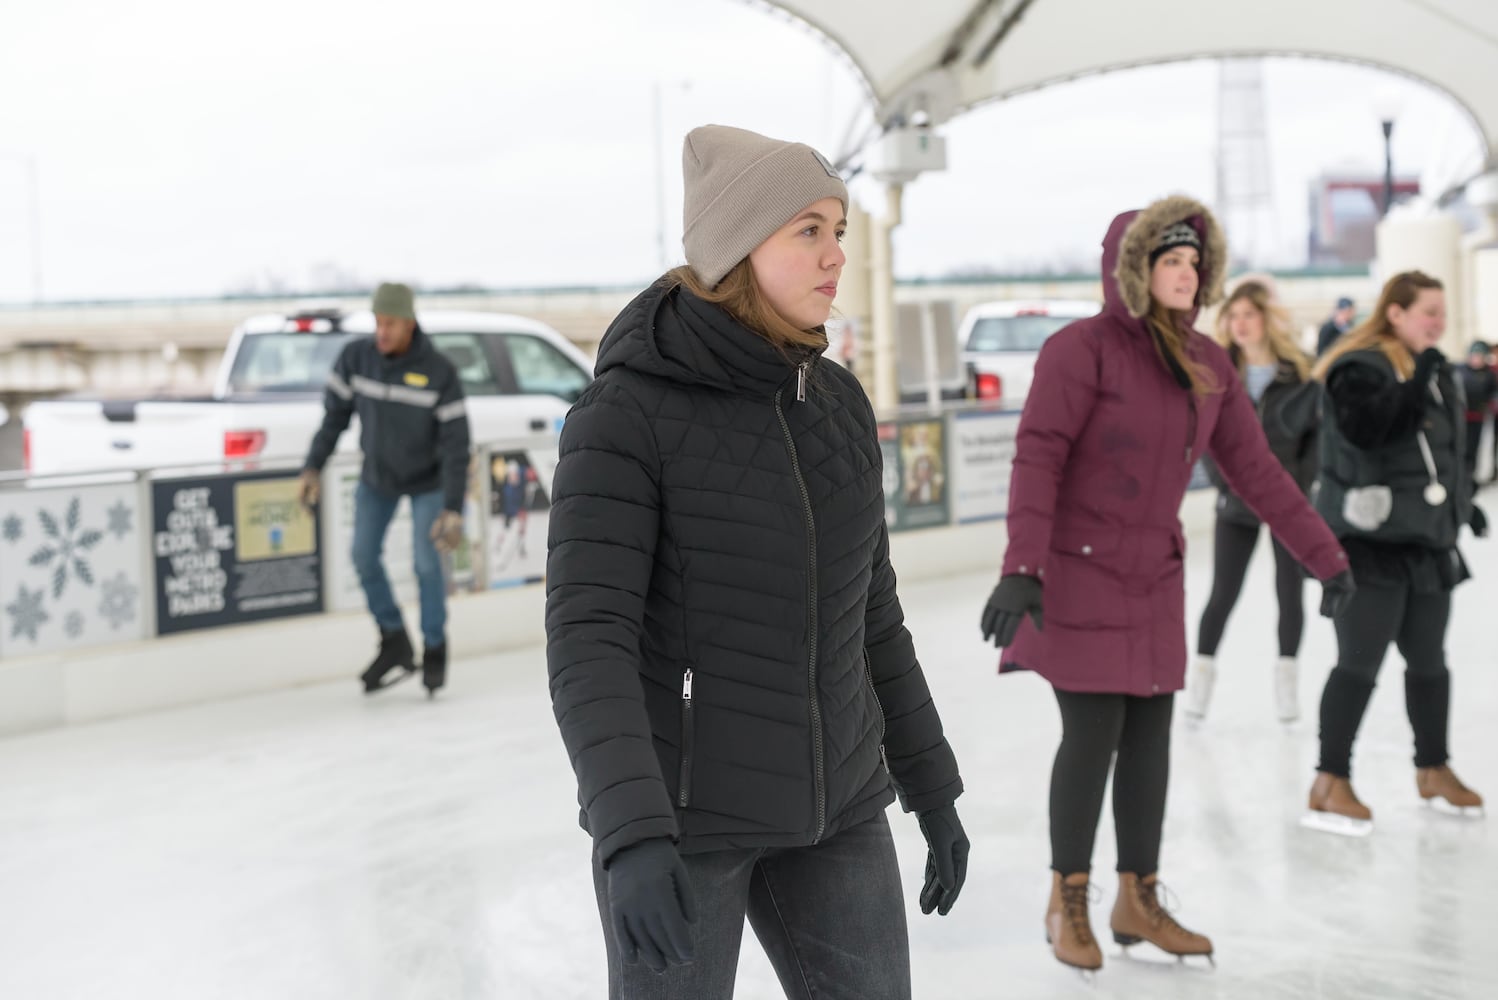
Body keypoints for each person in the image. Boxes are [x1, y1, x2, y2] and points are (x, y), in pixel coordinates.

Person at [545, 125, 968, 1000]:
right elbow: (591, 640)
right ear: (739, 248)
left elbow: (871, 614)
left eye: (839, 228)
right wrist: (630, 833)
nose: (836, 255)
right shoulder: (626, 414)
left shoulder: (837, 403)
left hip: (841, 807)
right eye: (807, 230)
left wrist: (931, 786)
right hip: (686, 823)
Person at [978, 196, 1354, 974]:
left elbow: (1257, 472)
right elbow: (1037, 457)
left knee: (1148, 744)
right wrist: (1022, 567)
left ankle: (1135, 897)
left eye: (1193, 263)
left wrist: (1325, 556)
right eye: (1169, 261)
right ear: (1134, 271)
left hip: (1155, 577)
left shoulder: (1207, 362)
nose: (1185, 275)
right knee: (1092, 740)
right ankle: (1067, 896)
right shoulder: (1079, 349)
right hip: (1075, 574)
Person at [1304, 270, 1486, 836]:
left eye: (1442, 312)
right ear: (1395, 313)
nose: (1438, 322)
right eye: (1428, 311)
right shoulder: (1357, 366)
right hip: (1369, 544)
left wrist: (1461, 505)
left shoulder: (1436, 369)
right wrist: (1421, 375)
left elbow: (1441, 453)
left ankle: (1433, 768)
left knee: (1430, 663)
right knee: (1359, 663)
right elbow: (1369, 431)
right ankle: (1330, 780)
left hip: (1427, 541)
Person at [298, 282, 470, 697]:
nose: (382, 331)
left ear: (409, 322)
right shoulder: (356, 360)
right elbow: (333, 419)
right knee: (362, 556)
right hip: (378, 479)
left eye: (390, 322)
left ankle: (433, 647)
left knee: (428, 565)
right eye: (377, 322)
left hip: (428, 482)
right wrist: (312, 467)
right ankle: (393, 639)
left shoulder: (439, 372)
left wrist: (452, 506)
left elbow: (456, 446)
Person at [1188, 276, 1320, 724]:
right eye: (1233, 316)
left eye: (1249, 314)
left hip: (1286, 502)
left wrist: (1294, 492)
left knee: (1289, 592)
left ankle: (1286, 686)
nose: (1240, 324)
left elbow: (1315, 442)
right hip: (1238, 503)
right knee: (1223, 593)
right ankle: (1200, 684)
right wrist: (1229, 488)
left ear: (1267, 319)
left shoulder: (1300, 371)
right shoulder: (1219, 371)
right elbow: (1208, 440)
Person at [1455, 340, 1497, 483]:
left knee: (1473, 447)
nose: (1476, 359)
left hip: (1477, 417)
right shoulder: (1459, 370)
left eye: (1480, 356)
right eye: (1474, 355)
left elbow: (1493, 392)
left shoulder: (1489, 374)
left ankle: (1470, 476)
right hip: (1460, 417)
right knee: (1460, 446)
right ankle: (1459, 475)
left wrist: (1489, 404)